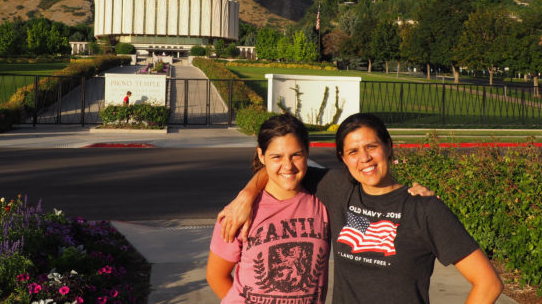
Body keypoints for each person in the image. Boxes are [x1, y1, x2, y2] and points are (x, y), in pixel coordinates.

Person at [219, 113, 503, 304]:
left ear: (389, 147)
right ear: (342, 158)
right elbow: (283, 168)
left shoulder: (424, 208)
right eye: (353, 152)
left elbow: (488, 284)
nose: (364, 158)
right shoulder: (337, 188)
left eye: (372, 147)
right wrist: (247, 194)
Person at [206, 113, 331, 303]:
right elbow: (216, 276)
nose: (287, 166)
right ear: (261, 155)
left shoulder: (324, 201)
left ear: (307, 152)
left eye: (296, 155)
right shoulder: (239, 212)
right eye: (277, 156)